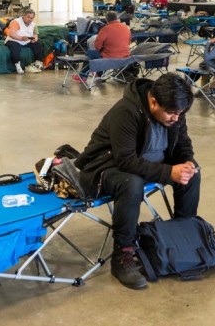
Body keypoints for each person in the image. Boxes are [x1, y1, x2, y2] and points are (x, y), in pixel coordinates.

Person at [76, 73, 198, 289]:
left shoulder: (175, 109)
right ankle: (123, 255)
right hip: (104, 168)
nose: (176, 118)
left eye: (180, 113)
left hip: (143, 164)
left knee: (192, 173)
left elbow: (183, 145)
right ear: (153, 102)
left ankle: (183, 237)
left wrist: (187, 163)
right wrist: (168, 172)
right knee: (131, 183)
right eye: (171, 113)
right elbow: (125, 161)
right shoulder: (126, 111)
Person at [5, 8, 44, 74]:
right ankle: (18, 66)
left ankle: (37, 63)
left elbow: (35, 35)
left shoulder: (33, 24)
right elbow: (11, 34)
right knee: (15, 48)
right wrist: (21, 38)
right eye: (28, 17)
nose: (30, 19)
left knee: (39, 45)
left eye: (32, 18)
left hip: (26, 41)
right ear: (23, 15)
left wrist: (34, 39)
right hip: (14, 40)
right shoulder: (16, 22)